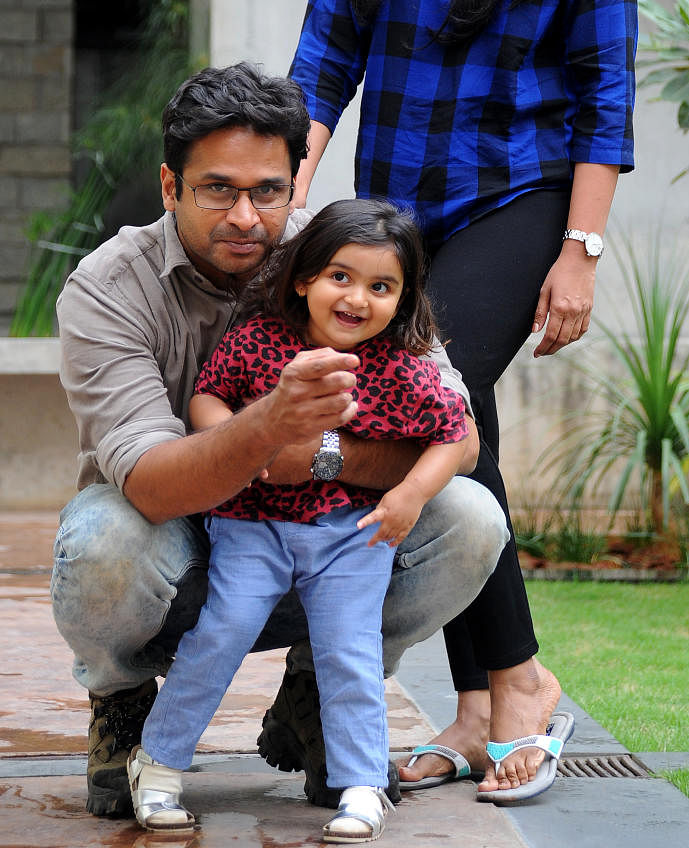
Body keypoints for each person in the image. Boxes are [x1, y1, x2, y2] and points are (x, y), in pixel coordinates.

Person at [288, 0, 637, 801]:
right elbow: (321, 58)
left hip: (515, 195)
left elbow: (604, 95)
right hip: (398, 212)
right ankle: (483, 704)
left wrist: (576, 252)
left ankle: (520, 684)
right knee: (448, 414)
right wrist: (291, 195)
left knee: (439, 390)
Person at [52, 61, 509, 819]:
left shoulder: (346, 256)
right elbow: (150, 484)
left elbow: (456, 430)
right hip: (174, 543)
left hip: (328, 541)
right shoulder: (108, 289)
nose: (244, 217)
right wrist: (268, 427)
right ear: (170, 187)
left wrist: (321, 455)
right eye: (217, 190)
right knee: (101, 538)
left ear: (296, 182)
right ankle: (122, 699)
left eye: (267, 191)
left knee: (469, 517)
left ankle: (316, 694)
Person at [126, 198, 475, 841]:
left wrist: (412, 495)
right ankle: (159, 764)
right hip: (252, 524)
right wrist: (236, 442)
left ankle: (363, 784)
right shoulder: (260, 342)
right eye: (340, 276)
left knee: (350, 650)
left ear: (404, 298)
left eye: (381, 286)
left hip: (351, 532)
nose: (357, 298)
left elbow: (453, 436)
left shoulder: (405, 369)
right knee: (221, 632)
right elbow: (208, 394)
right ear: (303, 278)